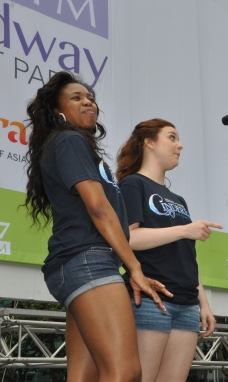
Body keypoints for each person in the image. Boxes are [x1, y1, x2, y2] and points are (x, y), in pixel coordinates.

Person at [24, 71, 169, 382]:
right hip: (88, 261)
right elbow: (99, 210)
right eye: (76, 98)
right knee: (124, 372)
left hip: (76, 265)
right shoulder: (68, 140)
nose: (88, 102)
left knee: (84, 377)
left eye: (90, 98)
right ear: (56, 110)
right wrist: (135, 269)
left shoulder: (70, 145)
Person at [116, 119, 222, 382]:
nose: (180, 145)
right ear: (149, 143)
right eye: (172, 138)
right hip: (153, 298)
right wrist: (185, 230)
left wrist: (203, 303)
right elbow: (128, 239)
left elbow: (186, 256)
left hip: (187, 303)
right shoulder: (133, 185)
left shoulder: (179, 200)